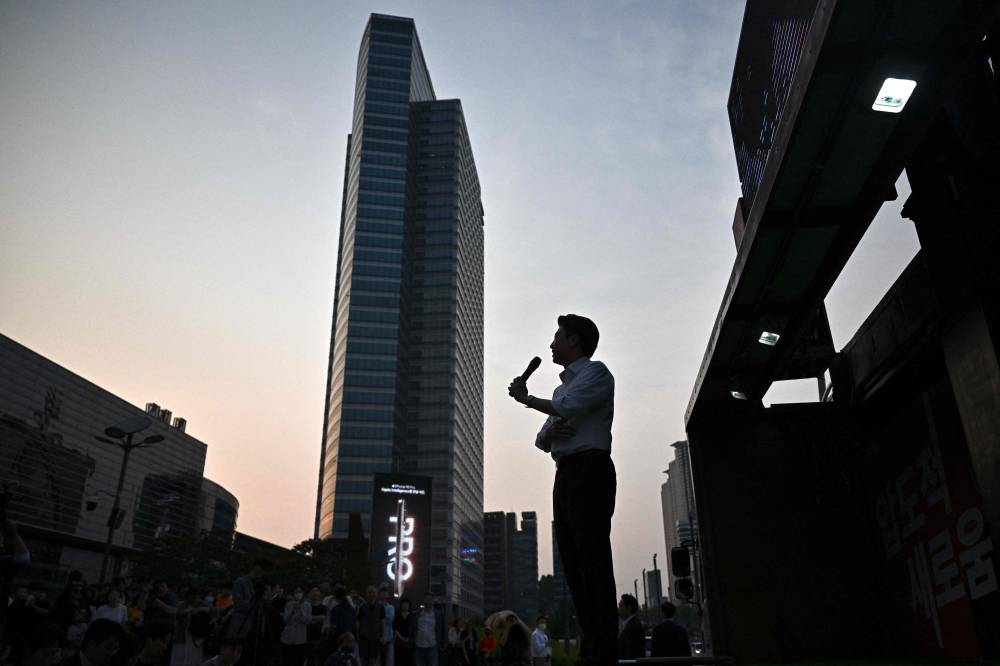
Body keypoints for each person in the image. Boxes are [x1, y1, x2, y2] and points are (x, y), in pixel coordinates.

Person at [507, 314, 616, 666]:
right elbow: (542, 438)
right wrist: (551, 432)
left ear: (575, 341)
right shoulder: (560, 388)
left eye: (558, 337)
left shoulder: (596, 373)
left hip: (591, 470)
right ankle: (591, 645)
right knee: (572, 561)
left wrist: (527, 399)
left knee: (592, 557)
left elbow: (566, 409)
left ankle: (604, 648)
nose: (552, 344)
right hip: (566, 474)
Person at [224, 560, 272, 639]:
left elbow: (263, 607)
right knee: (231, 644)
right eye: (263, 570)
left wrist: (267, 599)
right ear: (256, 567)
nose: (263, 573)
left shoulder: (259, 584)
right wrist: (255, 604)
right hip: (239, 621)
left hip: (250, 624)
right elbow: (239, 605)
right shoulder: (241, 582)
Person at [281, 587, 312, 666]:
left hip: (300, 638)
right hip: (288, 638)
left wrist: (301, 611)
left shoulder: (307, 605)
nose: (298, 594)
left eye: (300, 592)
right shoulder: (289, 604)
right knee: (287, 660)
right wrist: (292, 611)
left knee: (299, 660)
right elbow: (285, 620)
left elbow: (308, 621)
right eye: (296, 592)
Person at [411, 595, 443, 666]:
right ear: (423, 601)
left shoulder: (438, 614)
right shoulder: (417, 613)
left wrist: (443, 643)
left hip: (432, 645)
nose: (428, 601)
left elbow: (442, 628)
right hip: (419, 645)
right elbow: (413, 628)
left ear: (433, 601)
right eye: (426, 599)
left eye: (430, 600)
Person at [356, 587, 384, 666]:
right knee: (363, 659)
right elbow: (358, 622)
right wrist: (357, 635)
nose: (372, 594)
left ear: (376, 594)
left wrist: (383, 635)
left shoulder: (380, 607)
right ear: (367, 595)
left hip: (375, 637)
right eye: (370, 592)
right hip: (364, 637)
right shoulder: (362, 607)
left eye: (373, 592)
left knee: (373, 659)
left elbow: (383, 622)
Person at [615, 595, 643, 660]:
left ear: (629, 608)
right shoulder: (633, 624)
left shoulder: (631, 627)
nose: (619, 608)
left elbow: (630, 652)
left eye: (620, 606)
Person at [391, 599, 413, 666]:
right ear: (401, 605)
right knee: (398, 661)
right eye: (403, 604)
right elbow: (394, 627)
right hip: (398, 642)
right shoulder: (397, 616)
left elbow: (413, 629)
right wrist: (399, 636)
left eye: (407, 604)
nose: (405, 606)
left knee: (408, 661)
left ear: (409, 606)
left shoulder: (412, 616)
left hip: (408, 642)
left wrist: (409, 638)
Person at [378, 588, 394, 666]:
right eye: (382, 593)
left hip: (388, 638)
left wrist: (381, 615)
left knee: (388, 662)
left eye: (385, 593)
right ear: (379, 594)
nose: (384, 595)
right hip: (377, 638)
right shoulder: (375, 606)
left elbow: (390, 620)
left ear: (388, 595)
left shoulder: (391, 607)